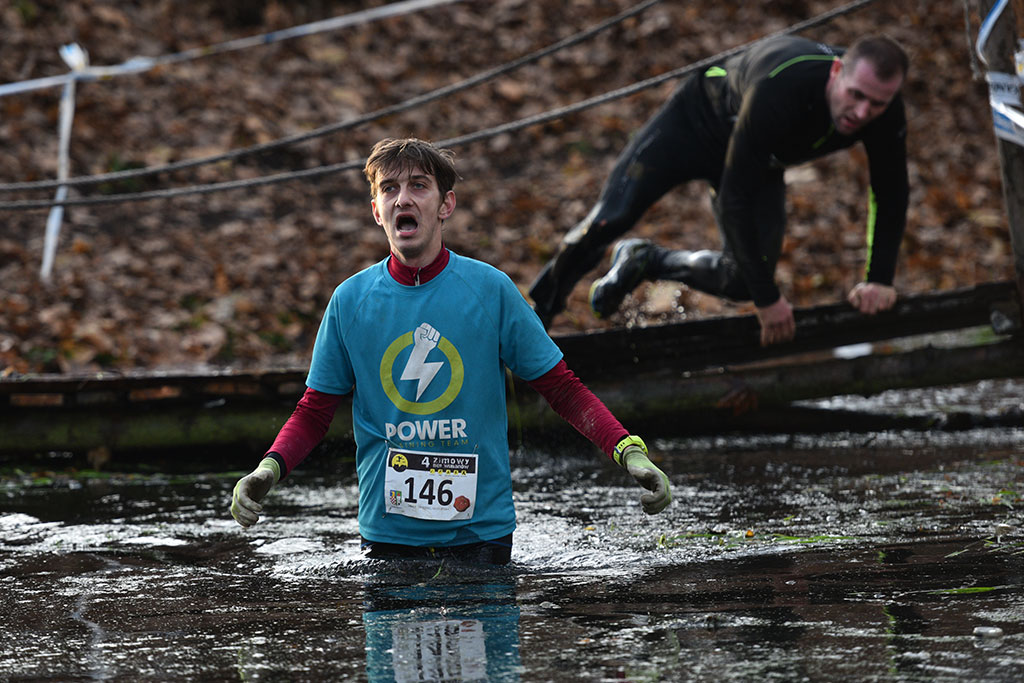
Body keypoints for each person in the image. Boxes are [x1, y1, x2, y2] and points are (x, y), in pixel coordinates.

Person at [230, 138, 671, 565]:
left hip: (482, 538)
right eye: (390, 189)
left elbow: (562, 389)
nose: (403, 198)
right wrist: (267, 470)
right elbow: (314, 411)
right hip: (387, 540)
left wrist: (628, 451)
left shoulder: (491, 290)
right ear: (377, 212)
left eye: (418, 186)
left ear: (445, 206)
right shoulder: (350, 301)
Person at [528, 34, 910, 346]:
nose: (862, 113)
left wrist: (879, 277)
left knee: (744, 279)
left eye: (876, 103)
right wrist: (769, 300)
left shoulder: (885, 112)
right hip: (693, 126)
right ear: (837, 72)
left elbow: (890, 192)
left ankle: (646, 260)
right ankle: (533, 320)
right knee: (610, 219)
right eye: (855, 96)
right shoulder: (783, 88)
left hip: (758, 159)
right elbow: (733, 198)